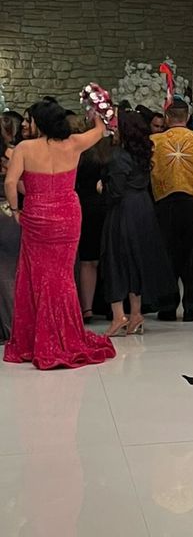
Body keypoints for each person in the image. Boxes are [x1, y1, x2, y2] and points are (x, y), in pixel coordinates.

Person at [3, 98, 116, 369]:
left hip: (36, 216)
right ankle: (66, 336)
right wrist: (96, 109)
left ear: (39, 123)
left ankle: (36, 340)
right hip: (67, 215)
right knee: (63, 276)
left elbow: (9, 181)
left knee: (36, 276)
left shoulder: (25, 147)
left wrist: (16, 210)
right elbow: (102, 129)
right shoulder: (74, 143)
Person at [100, 111, 177, 336]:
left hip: (123, 210)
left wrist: (102, 187)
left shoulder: (118, 156)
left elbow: (115, 190)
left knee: (115, 259)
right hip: (143, 207)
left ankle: (118, 316)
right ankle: (136, 314)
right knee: (136, 260)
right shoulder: (143, 153)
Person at [150, 98, 193, 322]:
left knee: (165, 256)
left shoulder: (153, 141)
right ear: (187, 117)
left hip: (164, 203)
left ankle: (166, 306)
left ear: (167, 118)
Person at [75, 132, 111, 323]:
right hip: (108, 207)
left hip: (86, 207)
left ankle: (87, 307)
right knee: (109, 259)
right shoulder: (113, 154)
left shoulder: (83, 154)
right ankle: (111, 304)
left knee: (88, 260)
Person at [0, 112, 23, 342]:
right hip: (7, 213)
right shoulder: (12, 154)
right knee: (8, 273)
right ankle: (12, 328)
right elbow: (22, 186)